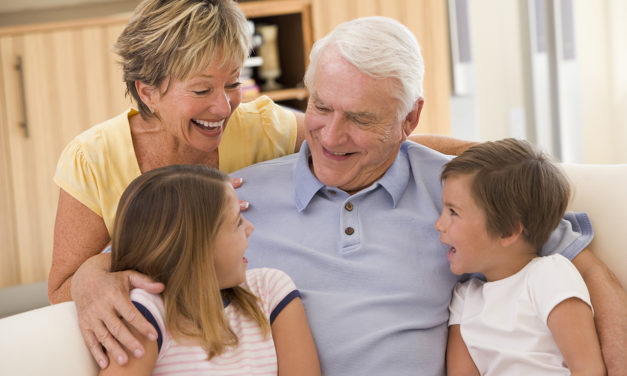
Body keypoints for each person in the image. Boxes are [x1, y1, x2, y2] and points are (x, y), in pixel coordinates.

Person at [70, 16, 627, 375]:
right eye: (320, 108)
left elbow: (580, 266)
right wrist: (95, 271)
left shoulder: (461, 193)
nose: (331, 138)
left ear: (410, 119)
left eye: (360, 119)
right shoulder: (236, 198)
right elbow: (156, 256)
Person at [49, 0, 468, 350]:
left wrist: (503, 158)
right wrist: (95, 272)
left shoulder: (260, 127)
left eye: (232, 83)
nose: (223, 108)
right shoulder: (94, 158)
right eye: (201, 91)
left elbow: (372, 136)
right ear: (147, 91)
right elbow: (62, 285)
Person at [101, 164, 320, 375]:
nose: (250, 228)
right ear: (198, 249)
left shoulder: (270, 291)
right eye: (237, 223)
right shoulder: (147, 313)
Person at [436, 139, 605, 375]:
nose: (439, 224)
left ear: (507, 231)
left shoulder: (549, 275)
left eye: (453, 212)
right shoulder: (464, 299)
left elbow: (588, 369)